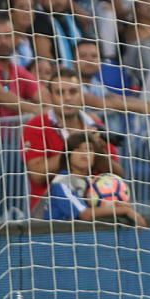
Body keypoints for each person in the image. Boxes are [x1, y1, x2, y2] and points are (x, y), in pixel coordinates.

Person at [22, 67, 122, 213]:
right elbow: (37, 175)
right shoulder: (35, 126)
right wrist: (75, 142)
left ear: (81, 95)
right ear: (50, 96)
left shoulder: (95, 125)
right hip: (50, 213)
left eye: (73, 92)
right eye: (60, 92)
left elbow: (118, 175)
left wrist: (97, 149)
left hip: (96, 208)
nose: (67, 98)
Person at [42, 132, 146, 227]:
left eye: (89, 149)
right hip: (57, 238)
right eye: (78, 149)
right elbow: (85, 214)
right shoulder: (61, 182)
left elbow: (98, 209)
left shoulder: (92, 182)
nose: (85, 153)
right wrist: (123, 211)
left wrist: (117, 205)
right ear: (68, 155)